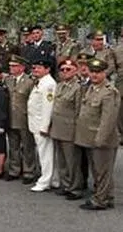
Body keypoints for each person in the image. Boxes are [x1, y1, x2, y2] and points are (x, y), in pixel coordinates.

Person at [74, 58, 119, 211]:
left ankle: (101, 200)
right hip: (89, 137)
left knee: (102, 171)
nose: (94, 75)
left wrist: (100, 139)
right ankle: (106, 196)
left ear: (104, 73)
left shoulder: (109, 92)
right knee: (98, 170)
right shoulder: (91, 88)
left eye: (98, 72)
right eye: (92, 72)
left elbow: (108, 120)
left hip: (101, 139)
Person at [50, 59, 84, 200]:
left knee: (72, 162)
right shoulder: (60, 85)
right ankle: (66, 185)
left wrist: (78, 131)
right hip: (58, 127)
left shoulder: (78, 87)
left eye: (68, 69)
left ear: (75, 70)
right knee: (62, 160)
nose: (65, 72)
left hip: (70, 128)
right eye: (62, 69)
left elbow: (79, 111)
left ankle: (75, 188)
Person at [4, 54, 37, 183]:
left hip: (24, 118)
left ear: (22, 67)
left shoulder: (30, 81)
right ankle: (14, 169)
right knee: (13, 145)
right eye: (10, 66)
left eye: (14, 66)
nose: (11, 68)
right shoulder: (8, 80)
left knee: (28, 146)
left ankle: (29, 171)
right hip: (11, 117)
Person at [28, 58, 58, 192]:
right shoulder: (41, 82)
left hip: (41, 125)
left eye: (39, 68)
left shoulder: (49, 84)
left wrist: (45, 126)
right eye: (34, 67)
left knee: (45, 154)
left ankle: (45, 181)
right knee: (46, 153)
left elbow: (48, 107)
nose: (35, 70)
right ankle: (54, 179)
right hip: (36, 122)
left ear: (47, 69)